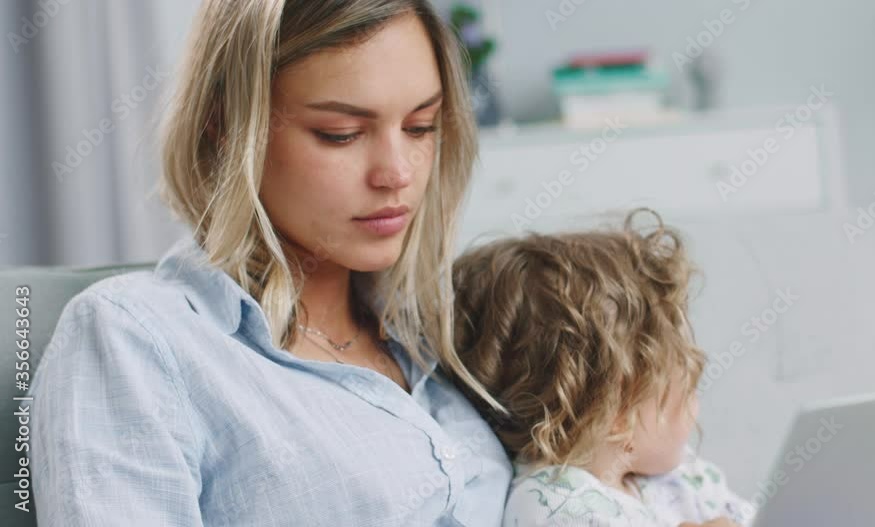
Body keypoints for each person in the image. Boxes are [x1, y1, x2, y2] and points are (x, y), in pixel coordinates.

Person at [28, 1, 512, 525]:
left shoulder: (435, 332)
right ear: (226, 127)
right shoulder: (135, 338)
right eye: (340, 133)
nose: (397, 173)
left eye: (420, 126)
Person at [451, 209, 755, 526]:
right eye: (688, 385)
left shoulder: (685, 477)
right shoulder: (555, 503)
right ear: (620, 408)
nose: (696, 405)